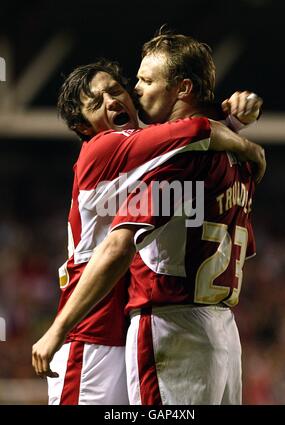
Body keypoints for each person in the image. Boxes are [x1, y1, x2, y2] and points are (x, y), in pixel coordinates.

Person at [32, 33, 264, 404]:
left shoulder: (164, 160)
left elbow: (121, 244)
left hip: (157, 328)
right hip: (96, 335)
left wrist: (230, 123)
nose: (131, 92)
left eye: (126, 86)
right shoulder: (104, 148)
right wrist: (237, 134)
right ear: (83, 127)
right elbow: (195, 128)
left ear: (181, 87)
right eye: (97, 101)